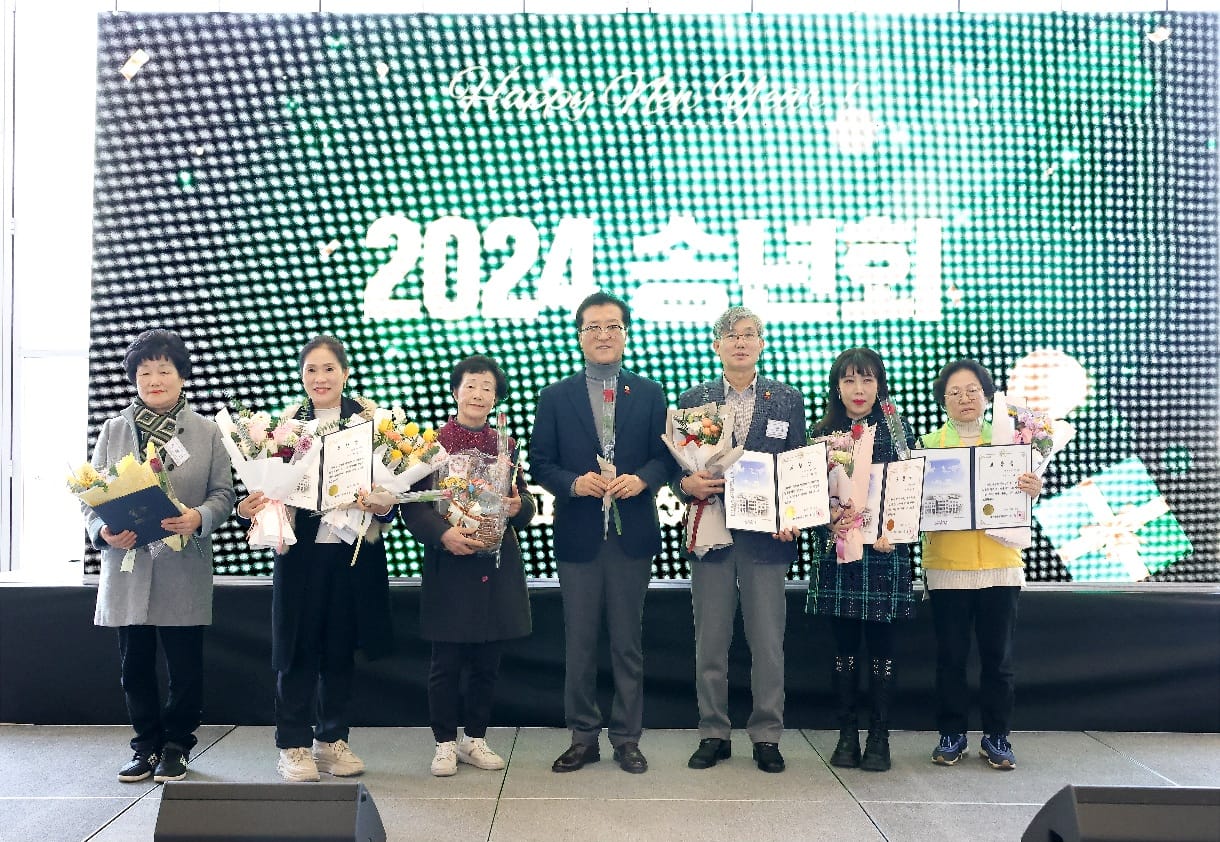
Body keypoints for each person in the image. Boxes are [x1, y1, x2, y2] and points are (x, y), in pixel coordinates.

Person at [236, 335, 396, 782]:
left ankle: (331, 741)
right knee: (297, 649)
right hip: (300, 555)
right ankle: (293, 745)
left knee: (340, 650)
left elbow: (394, 497)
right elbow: (264, 491)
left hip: (353, 554)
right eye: (311, 370)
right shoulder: (283, 429)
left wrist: (383, 502)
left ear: (345, 373)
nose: (320, 378)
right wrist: (251, 507)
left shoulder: (375, 425)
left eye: (329, 369)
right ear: (302, 376)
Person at [529, 290, 674, 774]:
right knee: (580, 643)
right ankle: (583, 737)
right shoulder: (555, 396)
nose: (604, 334)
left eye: (613, 326)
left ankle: (627, 738)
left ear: (626, 334)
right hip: (579, 535)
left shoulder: (649, 393)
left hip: (631, 535)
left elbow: (666, 457)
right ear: (579, 336)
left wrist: (643, 480)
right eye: (593, 327)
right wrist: (574, 483)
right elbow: (541, 462)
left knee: (628, 643)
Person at [83, 329, 235, 783]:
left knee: (185, 666)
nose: (154, 380)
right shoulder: (113, 430)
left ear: (181, 376)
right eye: (145, 372)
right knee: (134, 666)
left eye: (164, 370)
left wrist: (198, 517)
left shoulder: (206, 432)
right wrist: (102, 531)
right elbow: (90, 497)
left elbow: (223, 494)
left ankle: (176, 747)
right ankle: (145, 746)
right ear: (134, 379)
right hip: (129, 565)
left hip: (182, 565)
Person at [673, 307, 806, 773]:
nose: (741, 342)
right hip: (712, 532)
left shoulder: (786, 399)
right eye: (731, 335)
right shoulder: (694, 399)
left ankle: (767, 735)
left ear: (761, 344)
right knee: (710, 642)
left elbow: (798, 464)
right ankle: (713, 731)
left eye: (749, 334)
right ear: (717, 346)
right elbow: (677, 467)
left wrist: (793, 514)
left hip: (765, 540)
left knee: (767, 643)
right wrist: (684, 485)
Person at [400, 354, 535, 777]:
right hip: (450, 564)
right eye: (471, 385)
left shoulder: (506, 445)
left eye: (487, 388)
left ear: (496, 398)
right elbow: (412, 506)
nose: (478, 394)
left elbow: (524, 502)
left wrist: (519, 507)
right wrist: (443, 535)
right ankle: (444, 743)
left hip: (496, 564)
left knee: (487, 662)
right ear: (456, 391)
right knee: (446, 662)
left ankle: (475, 738)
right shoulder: (432, 445)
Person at [921, 359, 1041, 770]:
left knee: (998, 660)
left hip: (1000, 564)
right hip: (947, 567)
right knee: (950, 658)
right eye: (954, 393)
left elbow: (1024, 499)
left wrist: (1034, 487)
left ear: (988, 396)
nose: (964, 399)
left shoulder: (1013, 443)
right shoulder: (927, 446)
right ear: (943, 402)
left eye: (972, 390)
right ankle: (951, 734)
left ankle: (997, 736)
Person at [807, 347, 916, 773]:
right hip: (839, 553)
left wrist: (895, 530)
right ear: (837, 387)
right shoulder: (821, 434)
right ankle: (847, 734)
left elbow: (910, 491)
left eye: (867, 380)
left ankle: (880, 737)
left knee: (883, 649)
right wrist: (826, 521)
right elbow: (804, 497)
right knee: (844, 648)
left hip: (885, 554)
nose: (858, 389)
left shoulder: (898, 433)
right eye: (849, 380)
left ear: (879, 386)